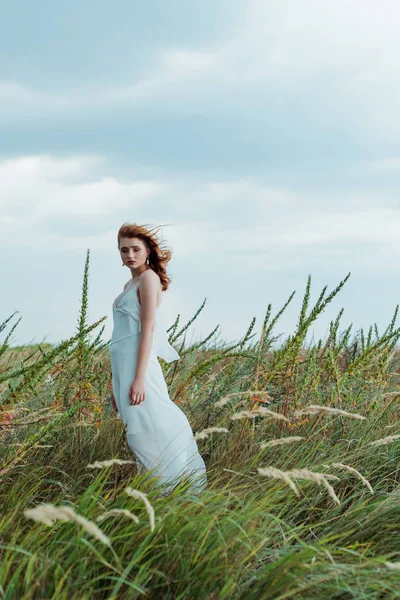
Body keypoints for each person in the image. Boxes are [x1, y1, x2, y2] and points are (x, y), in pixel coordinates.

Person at [109, 223, 207, 496]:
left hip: (139, 367)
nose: (129, 254)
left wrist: (139, 378)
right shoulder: (129, 283)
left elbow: (147, 328)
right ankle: (154, 489)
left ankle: (176, 487)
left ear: (148, 250)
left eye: (135, 249)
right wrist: (114, 384)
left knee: (152, 420)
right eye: (123, 250)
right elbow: (119, 336)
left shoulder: (149, 279)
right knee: (136, 429)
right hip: (123, 367)